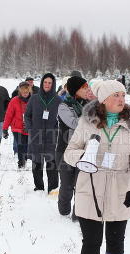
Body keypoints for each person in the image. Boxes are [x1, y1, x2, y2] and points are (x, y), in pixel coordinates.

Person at [64, 80, 130, 254]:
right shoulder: (86, 122)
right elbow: (69, 151)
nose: (122, 99)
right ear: (103, 100)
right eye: (116, 95)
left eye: (123, 95)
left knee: (115, 241)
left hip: (120, 192)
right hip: (90, 189)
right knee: (91, 242)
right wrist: (83, 157)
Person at [56, 76, 89, 218]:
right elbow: (74, 124)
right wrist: (91, 117)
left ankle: (78, 213)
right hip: (65, 150)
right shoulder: (63, 105)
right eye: (84, 87)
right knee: (67, 185)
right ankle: (64, 211)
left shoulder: (88, 104)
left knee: (80, 185)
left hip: (83, 150)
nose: (87, 90)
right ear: (76, 89)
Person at [25, 73, 62, 194]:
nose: (47, 85)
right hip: (36, 136)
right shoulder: (34, 98)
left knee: (52, 164)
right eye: (45, 82)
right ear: (41, 83)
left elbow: (61, 119)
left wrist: (56, 131)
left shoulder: (57, 100)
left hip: (51, 137)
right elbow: (27, 116)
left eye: (50, 83)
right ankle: (39, 187)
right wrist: (31, 129)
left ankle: (53, 189)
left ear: (53, 84)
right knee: (37, 163)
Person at [3, 82, 31, 169]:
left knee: (26, 145)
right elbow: (9, 115)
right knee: (20, 145)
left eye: (26, 92)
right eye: (23, 92)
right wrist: (5, 128)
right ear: (20, 91)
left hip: (28, 127)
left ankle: (25, 160)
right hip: (17, 127)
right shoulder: (14, 100)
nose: (25, 94)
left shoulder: (33, 100)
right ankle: (21, 164)